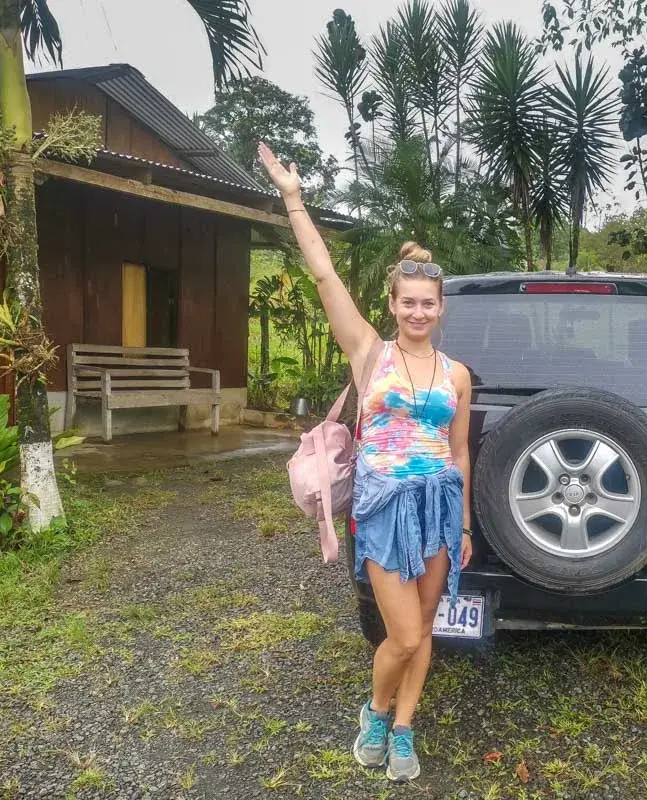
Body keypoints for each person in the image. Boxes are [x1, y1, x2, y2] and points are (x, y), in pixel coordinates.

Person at [257, 142, 473, 782]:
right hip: (381, 506)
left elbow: (459, 451)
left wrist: (461, 525)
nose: (417, 311)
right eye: (407, 301)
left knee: (427, 624)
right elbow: (324, 273)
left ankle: (404, 729)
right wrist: (294, 200)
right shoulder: (369, 353)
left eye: (428, 303)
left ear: (440, 308)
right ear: (392, 303)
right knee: (402, 634)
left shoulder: (457, 374)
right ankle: (376, 709)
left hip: (437, 505)